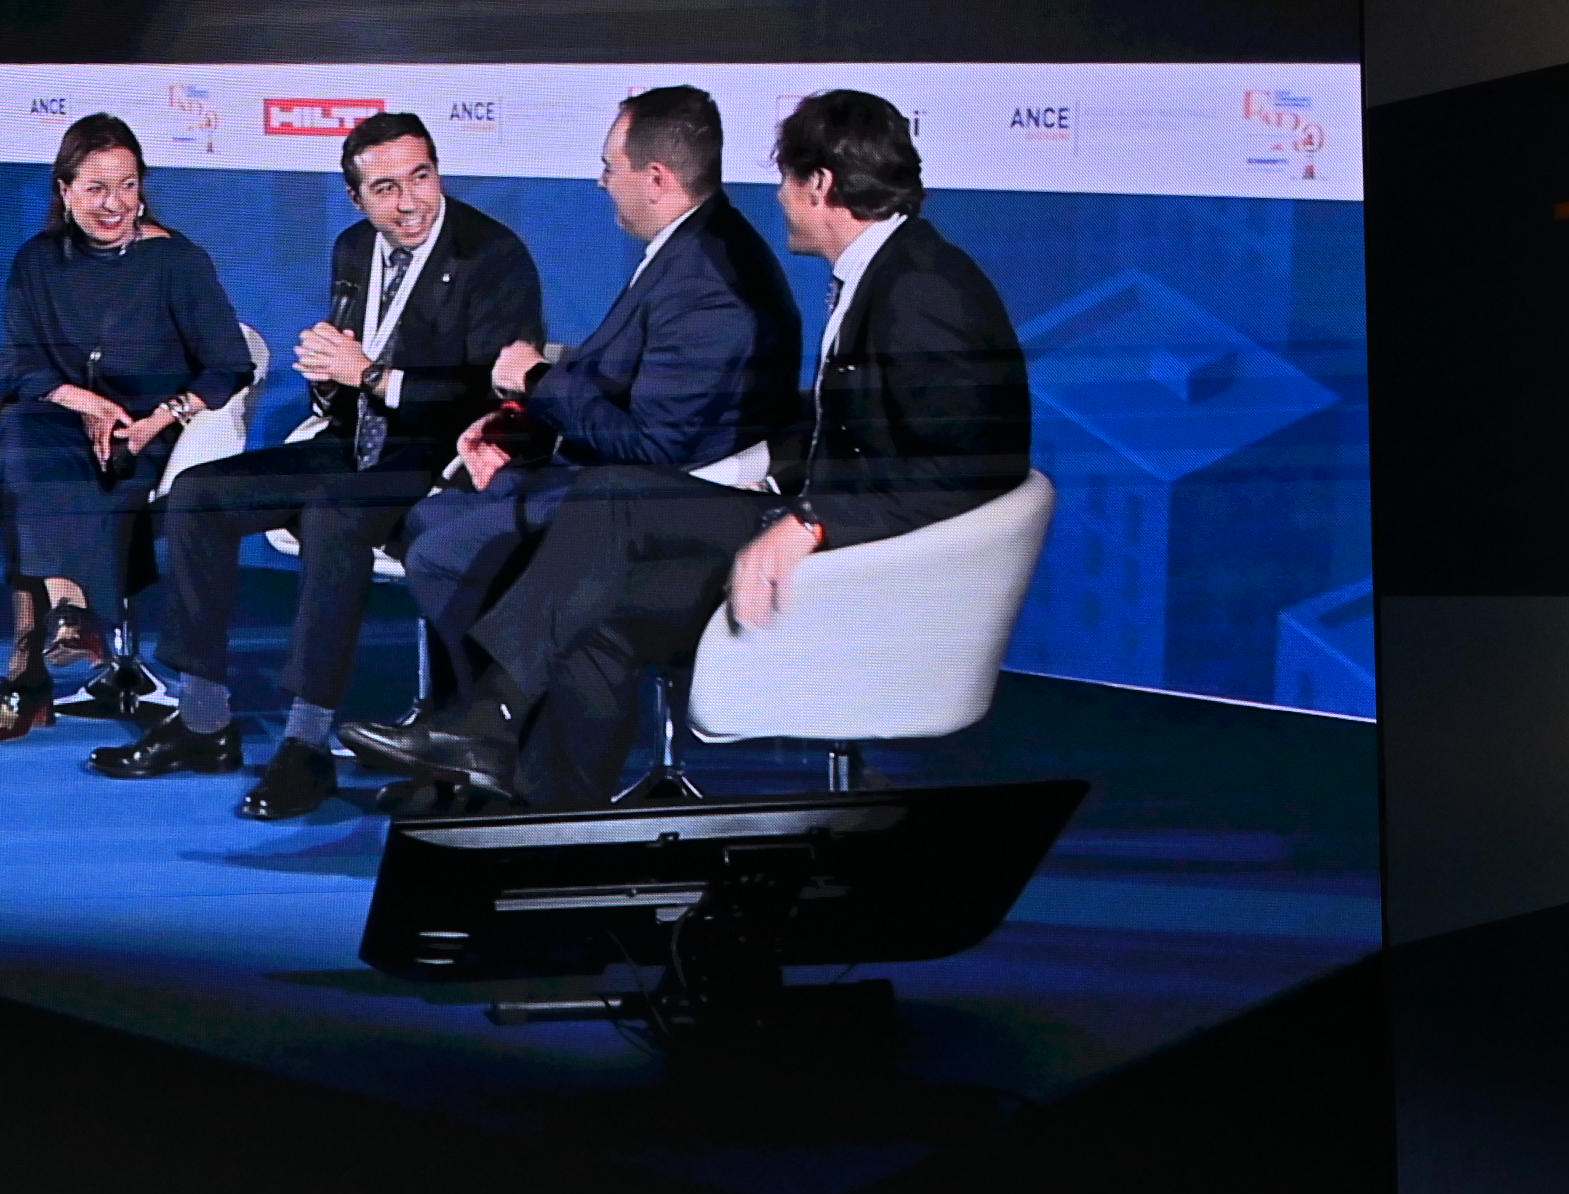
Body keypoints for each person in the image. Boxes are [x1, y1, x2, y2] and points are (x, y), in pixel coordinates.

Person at [394, 88, 1030, 811]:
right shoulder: (890, 270)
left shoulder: (923, 290)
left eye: (786, 179)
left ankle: (489, 725)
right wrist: (770, 469)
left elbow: (968, 470)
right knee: (595, 605)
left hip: (872, 568)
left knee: (608, 503)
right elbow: (861, 421)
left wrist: (811, 521)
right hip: (823, 521)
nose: (778, 198)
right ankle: (547, 816)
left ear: (820, 184)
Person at [344, 86, 800, 789]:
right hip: (618, 477)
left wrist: (535, 382)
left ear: (656, 178)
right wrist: (522, 424)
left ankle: (499, 743)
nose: (601, 182)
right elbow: (616, 380)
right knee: (431, 522)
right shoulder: (686, 248)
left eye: (610, 167)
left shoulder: (708, 279)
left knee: (445, 551)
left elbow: (654, 450)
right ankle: (479, 742)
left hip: (667, 499)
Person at [88, 111, 539, 821]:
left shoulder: (492, 254)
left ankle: (306, 744)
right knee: (199, 495)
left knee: (334, 515)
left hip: (437, 453)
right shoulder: (354, 247)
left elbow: (495, 390)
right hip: (350, 440)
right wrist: (330, 378)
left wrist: (374, 377)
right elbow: (349, 371)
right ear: (356, 198)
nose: (410, 203)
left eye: (421, 177)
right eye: (385, 189)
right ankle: (204, 721)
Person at [0, 113, 255, 745]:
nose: (114, 204)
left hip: (146, 428)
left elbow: (230, 363)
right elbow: (17, 367)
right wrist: (83, 403)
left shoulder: (176, 260)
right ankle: (69, 614)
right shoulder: (38, 261)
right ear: (65, 191)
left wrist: (161, 418)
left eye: (127, 186)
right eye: (96, 188)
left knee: (66, 481)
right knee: (19, 444)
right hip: (60, 420)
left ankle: (28, 671)